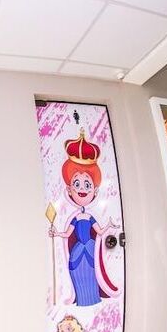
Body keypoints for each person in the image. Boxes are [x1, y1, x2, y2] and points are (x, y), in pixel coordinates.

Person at [49, 128, 119, 306]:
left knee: (91, 275)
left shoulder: (90, 216)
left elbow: (100, 231)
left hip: (89, 250)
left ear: (95, 190)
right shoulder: (74, 217)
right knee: (77, 273)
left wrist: (110, 225)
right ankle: (81, 300)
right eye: (76, 183)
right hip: (78, 252)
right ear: (69, 189)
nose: (81, 188)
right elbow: (67, 233)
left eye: (87, 184)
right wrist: (55, 233)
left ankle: (92, 300)